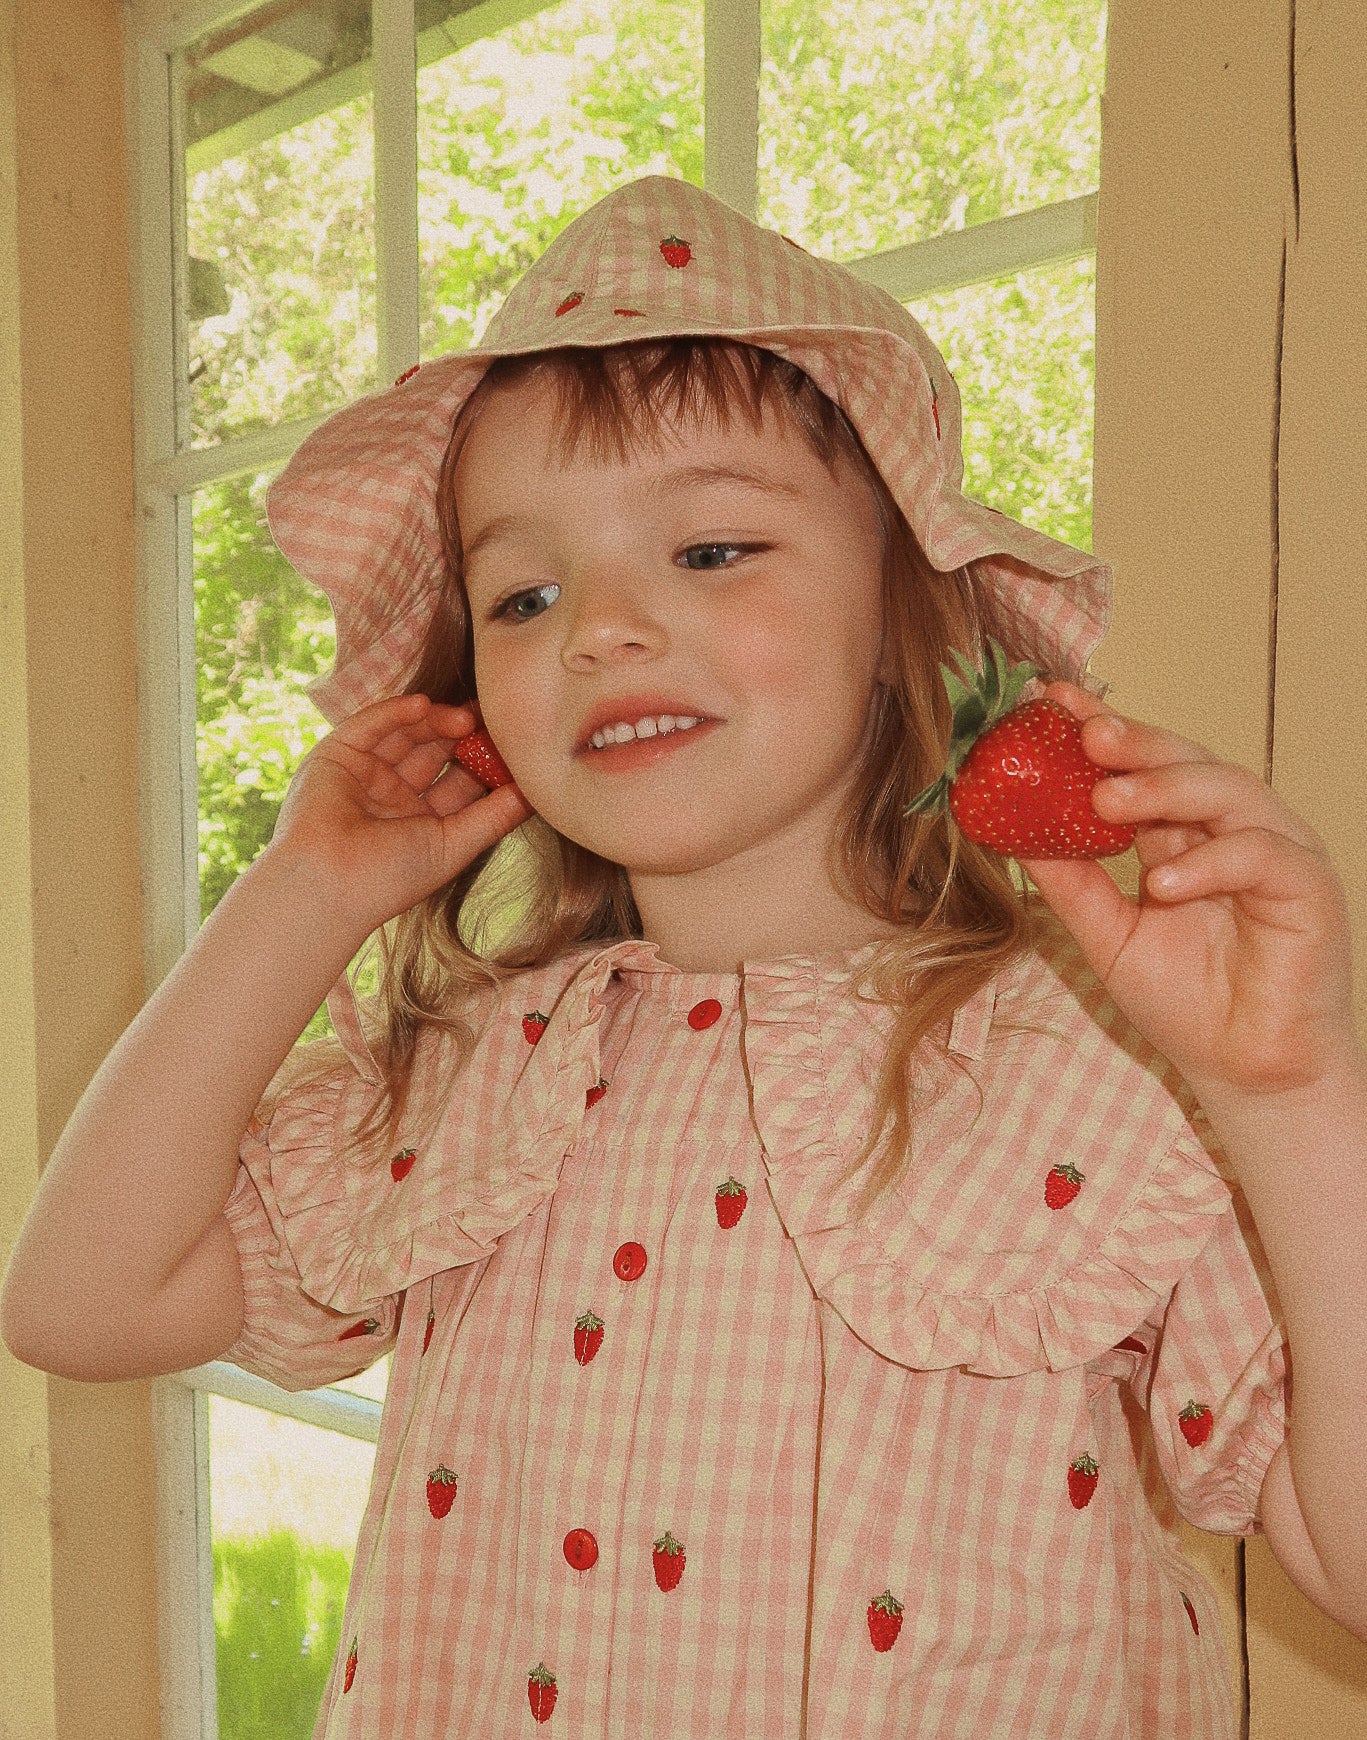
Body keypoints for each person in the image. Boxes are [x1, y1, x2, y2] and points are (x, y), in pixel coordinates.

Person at [4, 174, 1366, 1737]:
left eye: (712, 549)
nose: (599, 627)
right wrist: (308, 890)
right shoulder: (476, 1072)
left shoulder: (1092, 1067)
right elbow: (79, 1305)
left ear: (908, 615)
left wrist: (1293, 1091)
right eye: (521, 592)